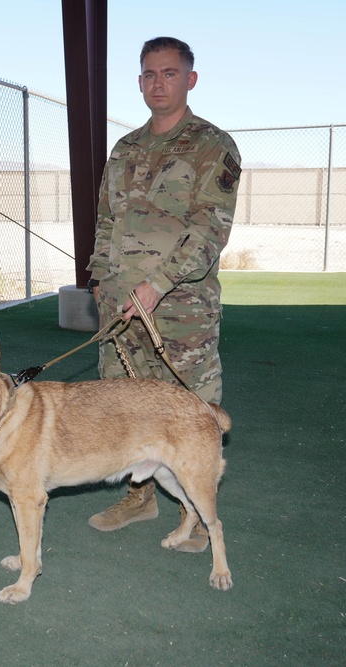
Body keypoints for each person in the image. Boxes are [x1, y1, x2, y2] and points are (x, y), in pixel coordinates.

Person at [85, 36, 241, 551]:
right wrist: (98, 278)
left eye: (169, 73)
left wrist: (157, 285)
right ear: (140, 81)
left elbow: (210, 230)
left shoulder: (212, 146)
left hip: (180, 309)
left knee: (191, 409)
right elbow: (107, 220)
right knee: (122, 405)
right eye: (150, 74)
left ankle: (193, 513)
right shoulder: (126, 148)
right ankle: (139, 496)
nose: (159, 83)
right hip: (121, 307)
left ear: (190, 79)